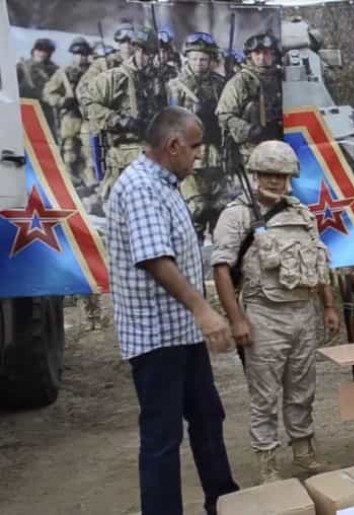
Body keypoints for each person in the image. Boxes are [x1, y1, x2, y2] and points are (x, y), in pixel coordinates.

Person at [106, 107, 239, 515]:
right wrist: (204, 311)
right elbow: (155, 259)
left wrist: (197, 317)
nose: (199, 155)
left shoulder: (166, 184)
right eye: (195, 146)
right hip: (156, 337)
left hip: (181, 331)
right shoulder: (141, 187)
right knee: (163, 436)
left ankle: (225, 502)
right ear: (174, 145)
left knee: (208, 417)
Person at [211, 140, 339, 483]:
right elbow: (221, 268)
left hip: (303, 311)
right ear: (255, 174)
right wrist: (236, 319)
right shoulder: (237, 215)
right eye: (268, 174)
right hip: (263, 315)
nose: (275, 181)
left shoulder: (301, 213)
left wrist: (328, 305)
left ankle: (304, 454)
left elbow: (319, 261)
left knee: (303, 389)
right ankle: (268, 464)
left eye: (282, 176)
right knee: (265, 395)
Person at [86, 27, 168, 201]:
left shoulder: (158, 79)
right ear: (136, 50)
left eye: (151, 53)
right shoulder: (116, 77)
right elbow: (89, 105)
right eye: (142, 51)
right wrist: (118, 119)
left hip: (151, 155)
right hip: (123, 154)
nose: (146, 57)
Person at [168, 31, 227, 241]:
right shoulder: (176, 86)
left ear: (210, 61)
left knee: (219, 207)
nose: (199, 63)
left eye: (203, 59)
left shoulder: (220, 84)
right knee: (196, 208)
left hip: (216, 152)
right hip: (189, 153)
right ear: (187, 59)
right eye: (194, 59)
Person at [216, 32, 283, 167]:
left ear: (274, 55)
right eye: (257, 53)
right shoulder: (240, 81)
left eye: (266, 53)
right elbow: (224, 115)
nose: (262, 57)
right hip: (252, 151)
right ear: (249, 56)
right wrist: (249, 130)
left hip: (281, 146)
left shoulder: (282, 78)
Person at [43, 37, 93, 196]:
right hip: (70, 118)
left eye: (84, 54)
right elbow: (48, 93)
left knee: (90, 152)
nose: (81, 58)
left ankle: (90, 185)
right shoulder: (63, 73)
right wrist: (62, 101)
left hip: (89, 119)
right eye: (77, 54)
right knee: (69, 152)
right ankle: (69, 185)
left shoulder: (94, 72)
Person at [17, 38, 59, 131]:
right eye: (39, 49)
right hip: (24, 108)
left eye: (45, 51)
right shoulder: (21, 67)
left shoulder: (55, 70)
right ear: (34, 50)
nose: (42, 53)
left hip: (45, 111)